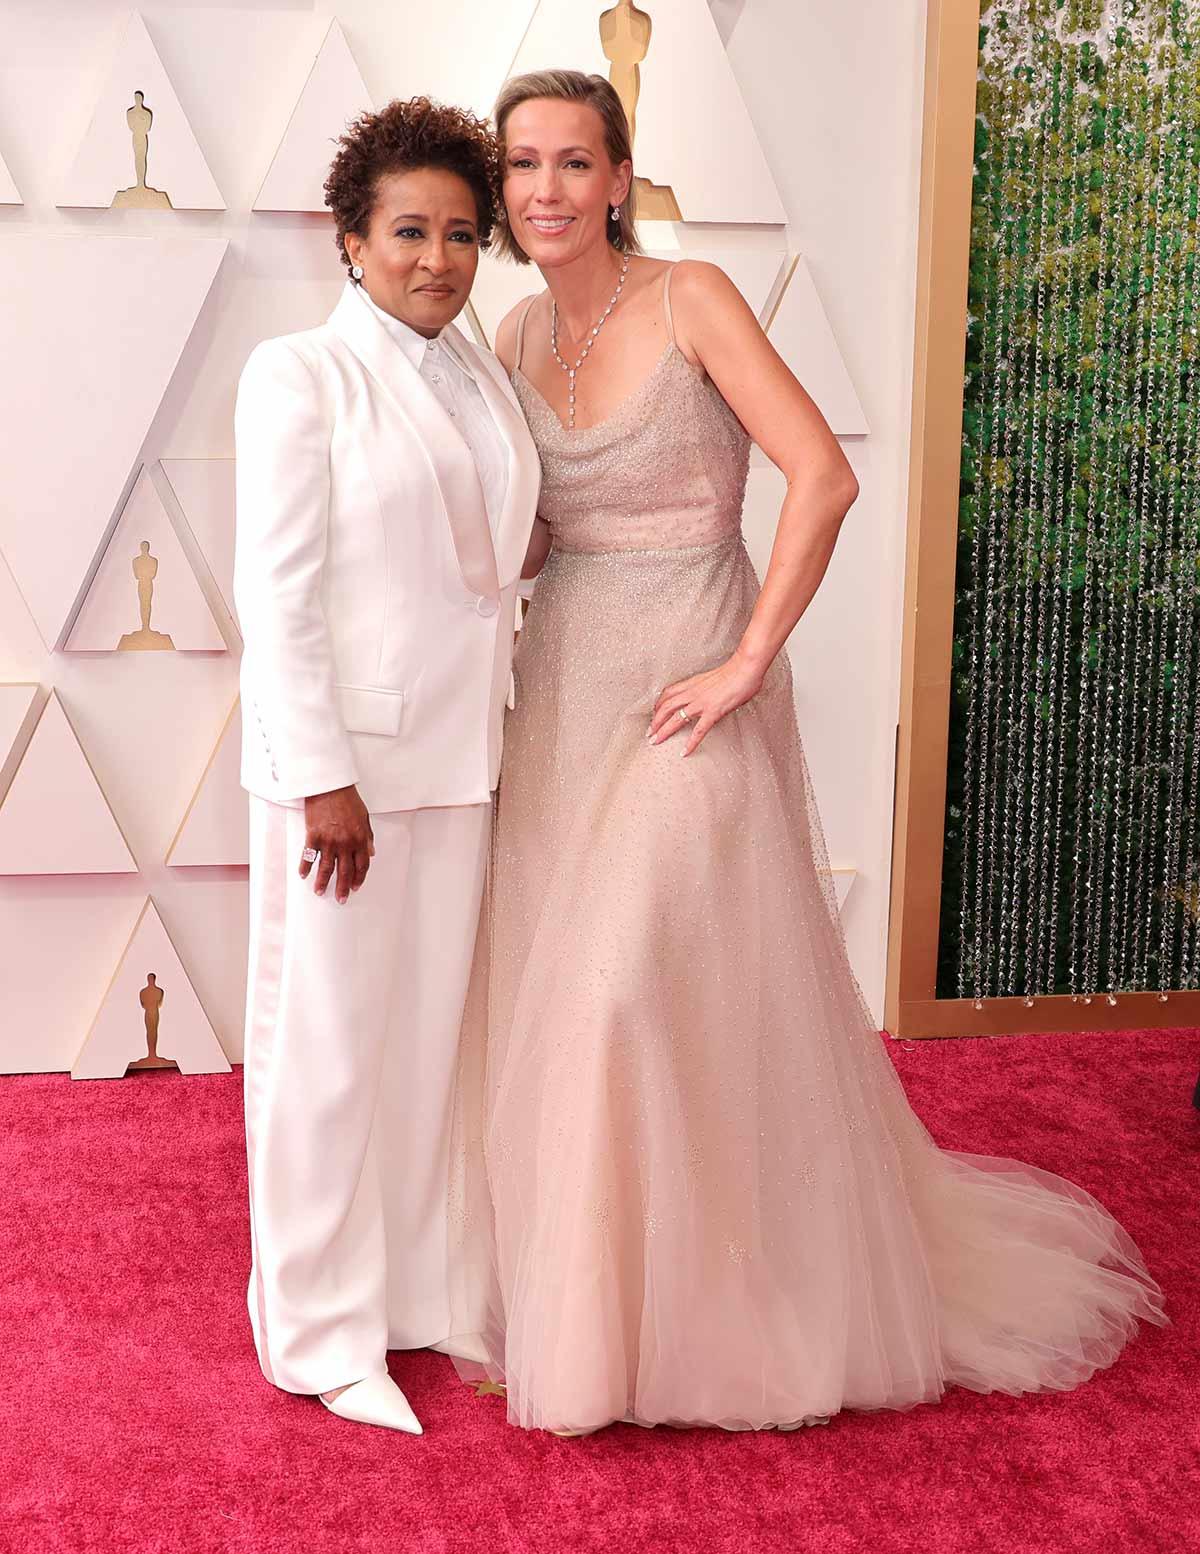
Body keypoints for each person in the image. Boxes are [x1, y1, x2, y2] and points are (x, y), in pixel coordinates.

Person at [449, 70, 1167, 1435]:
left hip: (693, 677)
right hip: (566, 689)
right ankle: (597, 1315)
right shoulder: (513, 328)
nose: (546, 189)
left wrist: (747, 661)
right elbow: (533, 532)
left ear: (618, 176)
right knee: (588, 998)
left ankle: (715, 1314)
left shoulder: (694, 297)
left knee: (613, 990)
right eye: (524, 162)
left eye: (574, 161)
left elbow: (820, 477)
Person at [233, 97, 539, 1435]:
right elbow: (279, 594)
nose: (439, 258)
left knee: (426, 1047)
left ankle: (411, 1294)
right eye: (409, 231)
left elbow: (494, 554)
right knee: (327, 1051)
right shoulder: (298, 374)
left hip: (466, 757)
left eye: (462, 234)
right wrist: (319, 771)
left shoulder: (477, 371)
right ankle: (316, 1328)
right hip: (346, 777)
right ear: (348, 238)